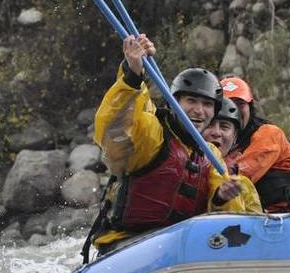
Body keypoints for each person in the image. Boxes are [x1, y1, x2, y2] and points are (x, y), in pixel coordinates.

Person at [81, 35, 260, 261]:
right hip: (127, 244)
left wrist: (220, 198)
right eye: (191, 101)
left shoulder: (211, 155)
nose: (199, 111)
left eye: (207, 104)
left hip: (178, 246)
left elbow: (224, 223)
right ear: (174, 103)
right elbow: (114, 128)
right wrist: (132, 75)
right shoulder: (153, 133)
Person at [220, 76, 290, 213]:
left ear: (250, 107)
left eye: (240, 104)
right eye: (227, 103)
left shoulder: (269, 134)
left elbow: (241, 176)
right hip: (248, 216)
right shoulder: (220, 140)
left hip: (282, 216)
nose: (234, 110)